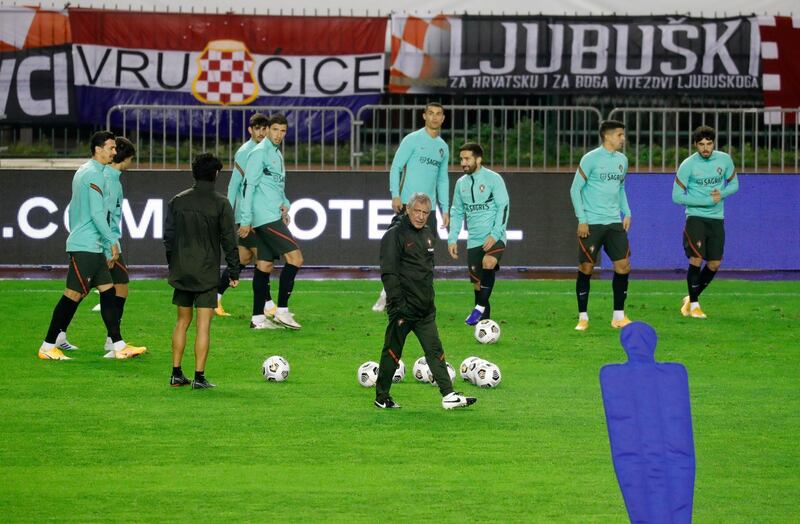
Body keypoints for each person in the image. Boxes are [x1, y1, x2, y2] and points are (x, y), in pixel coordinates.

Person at [37, 131, 147, 360]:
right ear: (98, 149)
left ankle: (117, 345)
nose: (114, 152)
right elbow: (98, 214)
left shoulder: (85, 171)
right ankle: (48, 346)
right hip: (87, 243)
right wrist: (111, 242)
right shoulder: (95, 176)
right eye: (111, 148)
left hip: (92, 243)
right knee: (72, 295)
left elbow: (80, 209)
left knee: (108, 290)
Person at [374, 192, 476, 410]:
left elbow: (427, 271)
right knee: (392, 351)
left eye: (425, 213)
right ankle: (382, 397)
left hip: (425, 309)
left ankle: (448, 395)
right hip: (402, 309)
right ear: (408, 210)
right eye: (417, 211)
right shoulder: (394, 235)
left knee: (435, 350)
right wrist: (398, 304)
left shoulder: (429, 235)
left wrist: (429, 300)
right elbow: (389, 273)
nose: (420, 216)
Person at [164, 153, 240, 389]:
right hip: (206, 272)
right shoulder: (221, 203)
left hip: (182, 270)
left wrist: (174, 264)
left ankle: (176, 373)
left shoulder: (177, 200)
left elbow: (168, 238)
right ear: (216, 174)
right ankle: (199, 377)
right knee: (203, 325)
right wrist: (234, 271)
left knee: (182, 321)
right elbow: (229, 240)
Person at [372, 102, 450, 312]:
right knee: (398, 252)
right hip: (407, 205)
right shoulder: (412, 140)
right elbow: (396, 166)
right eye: (431, 113)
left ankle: (420, 296)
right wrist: (395, 195)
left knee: (425, 254)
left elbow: (442, 179)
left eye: (438, 114)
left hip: (430, 211)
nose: (434, 117)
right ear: (424, 116)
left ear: (443, 118)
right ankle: (386, 293)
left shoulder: (443, 147)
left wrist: (445, 209)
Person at [239, 113, 303, 330]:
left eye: (283, 131)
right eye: (275, 130)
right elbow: (248, 187)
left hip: (271, 214)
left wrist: (285, 204)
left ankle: (258, 319)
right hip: (264, 217)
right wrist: (245, 220)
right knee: (295, 258)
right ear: (267, 130)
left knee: (264, 265)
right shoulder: (259, 153)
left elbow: (277, 185)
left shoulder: (276, 153)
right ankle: (282, 311)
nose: (279, 135)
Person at [569, 120, 633, 331]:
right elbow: (575, 189)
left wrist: (627, 212)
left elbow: (620, 188)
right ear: (607, 136)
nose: (623, 139)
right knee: (586, 268)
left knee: (623, 266)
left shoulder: (622, 160)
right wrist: (582, 219)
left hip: (614, 222)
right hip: (592, 223)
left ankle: (618, 316)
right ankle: (583, 317)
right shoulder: (590, 159)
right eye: (620, 135)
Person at [672, 125, 739, 319]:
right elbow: (676, 196)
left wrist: (722, 194)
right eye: (701, 144)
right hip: (695, 217)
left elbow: (734, 184)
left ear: (713, 143)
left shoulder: (724, 160)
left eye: (709, 144)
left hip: (717, 218)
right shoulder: (688, 165)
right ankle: (694, 305)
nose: (705, 148)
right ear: (695, 145)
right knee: (696, 259)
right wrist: (703, 202)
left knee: (715, 263)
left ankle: (690, 298)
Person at [447, 142, 510, 325]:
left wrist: (496, 233)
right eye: (461, 159)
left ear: (478, 159)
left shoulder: (493, 179)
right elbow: (457, 212)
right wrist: (453, 238)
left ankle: (479, 308)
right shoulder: (461, 184)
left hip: (494, 236)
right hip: (474, 240)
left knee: (488, 262)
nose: (463, 162)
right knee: (477, 284)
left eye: (467, 158)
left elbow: (503, 207)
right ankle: (485, 323)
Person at [215, 112, 269, 318]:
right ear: (250, 130)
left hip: (260, 214)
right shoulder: (245, 151)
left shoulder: (266, 150)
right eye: (258, 129)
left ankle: (215, 299)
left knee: (242, 259)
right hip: (247, 215)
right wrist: (228, 213)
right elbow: (234, 185)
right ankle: (270, 305)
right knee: (264, 258)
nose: (261, 133)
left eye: (264, 129)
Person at [99, 136, 136, 356]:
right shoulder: (110, 180)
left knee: (78, 291)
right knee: (118, 287)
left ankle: (58, 335)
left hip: (106, 242)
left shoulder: (111, 177)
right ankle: (113, 341)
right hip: (106, 244)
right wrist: (110, 245)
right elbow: (104, 216)